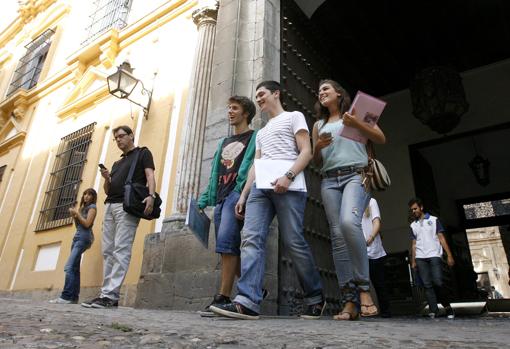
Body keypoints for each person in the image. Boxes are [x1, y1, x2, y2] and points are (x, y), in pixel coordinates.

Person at [210, 80, 325, 320]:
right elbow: (257, 164)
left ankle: (315, 296)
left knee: (294, 241)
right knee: (250, 238)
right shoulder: (261, 132)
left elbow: (307, 151)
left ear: (276, 94)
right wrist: (244, 194)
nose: (259, 98)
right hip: (261, 190)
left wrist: (288, 176)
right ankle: (247, 301)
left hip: (289, 186)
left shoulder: (294, 117)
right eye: (257, 96)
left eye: (262, 94)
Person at [312, 79, 386, 320]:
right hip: (329, 181)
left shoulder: (357, 113)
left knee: (348, 223)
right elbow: (317, 161)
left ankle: (364, 290)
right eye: (319, 90)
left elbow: (380, 138)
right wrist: (317, 147)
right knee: (337, 238)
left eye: (326, 89)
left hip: (356, 175)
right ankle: (349, 301)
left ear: (338, 93)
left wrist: (356, 123)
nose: (321, 93)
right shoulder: (318, 124)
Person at [81, 125, 156, 309]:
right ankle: (105, 294)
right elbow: (108, 190)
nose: (119, 140)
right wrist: (107, 178)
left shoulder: (143, 153)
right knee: (108, 251)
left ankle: (110, 295)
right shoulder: (117, 163)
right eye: (116, 138)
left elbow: (150, 175)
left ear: (131, 136)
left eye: (121, 136)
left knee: (121, 249)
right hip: (110, 205)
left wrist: (151, 196)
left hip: (127, 206)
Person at [196, 96, 258, 317]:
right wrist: (203, 201)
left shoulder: (254, 136)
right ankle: (255, 288)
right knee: (227, 248)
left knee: (226, 244)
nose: (229, 112)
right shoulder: (223, 142)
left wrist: (241, 192)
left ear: (246, 113)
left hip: (237, 194)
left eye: (234, 108)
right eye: (228, 108)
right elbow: (215, 175)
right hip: (221, 198)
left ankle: (223, 296)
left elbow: (254, 164)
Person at [408, 197, 455, 319]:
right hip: (420, 257)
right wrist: (413, 261)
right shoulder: (413, 225)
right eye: (412, 210)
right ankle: (434, 310)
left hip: (434, 255)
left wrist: (449, 255)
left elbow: (441, 238)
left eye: (415, 208)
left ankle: (448, 308)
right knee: (427, 285)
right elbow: (413, 244)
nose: (413, 211)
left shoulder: (434, 220)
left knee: (438, 282)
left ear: (421, 207)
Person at [50, 188, 97, 304]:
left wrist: (77, 214)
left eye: (90, 194)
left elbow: (87, 224)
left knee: (69, 267)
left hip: (84, 238)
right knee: (75, 268)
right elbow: (79, 225)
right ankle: (74, 297)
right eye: (85, 194)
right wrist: (75, 215)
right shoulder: (82, 209)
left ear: (93, 197)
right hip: (77, 237)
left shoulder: (92, 208)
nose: (86, 196)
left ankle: (66, 296)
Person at [362, 198, 391, 317]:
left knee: (379, 284)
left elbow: (377, 222)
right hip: (359, 252)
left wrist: (371, 238)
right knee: (360, 283)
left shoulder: (371, 201)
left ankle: (386, 312)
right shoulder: (350, 202)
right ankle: (362, 310)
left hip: (374, 251)